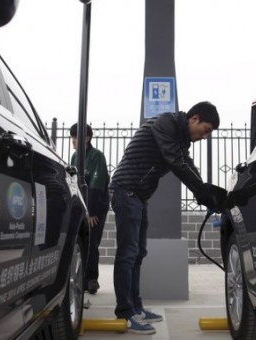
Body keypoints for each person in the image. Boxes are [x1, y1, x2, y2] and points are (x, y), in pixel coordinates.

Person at [110, 101, 227, 334]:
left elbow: (186, 163)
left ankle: (136, 307)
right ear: (194, 118)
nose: (204, 137)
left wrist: (205, 191)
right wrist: (200, 191)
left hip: (138, 196)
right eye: (205, 131)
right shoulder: (166, 123)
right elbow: (176, 161)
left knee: (139, 253)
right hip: (125, 190)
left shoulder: (180, 138)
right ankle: (125, 311)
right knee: (128, 253)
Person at [70, 123, 110, 294]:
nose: (73, 141)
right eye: (72, 137)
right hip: (81, 208)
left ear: (86, 138)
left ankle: (92, 279)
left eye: (75, 137)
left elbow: (96, 186)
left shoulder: (97, 157)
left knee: (92, 243)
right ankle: (80, 279)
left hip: (95, 209)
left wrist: (91, 212)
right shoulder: (74, 157)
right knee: (80, 244)